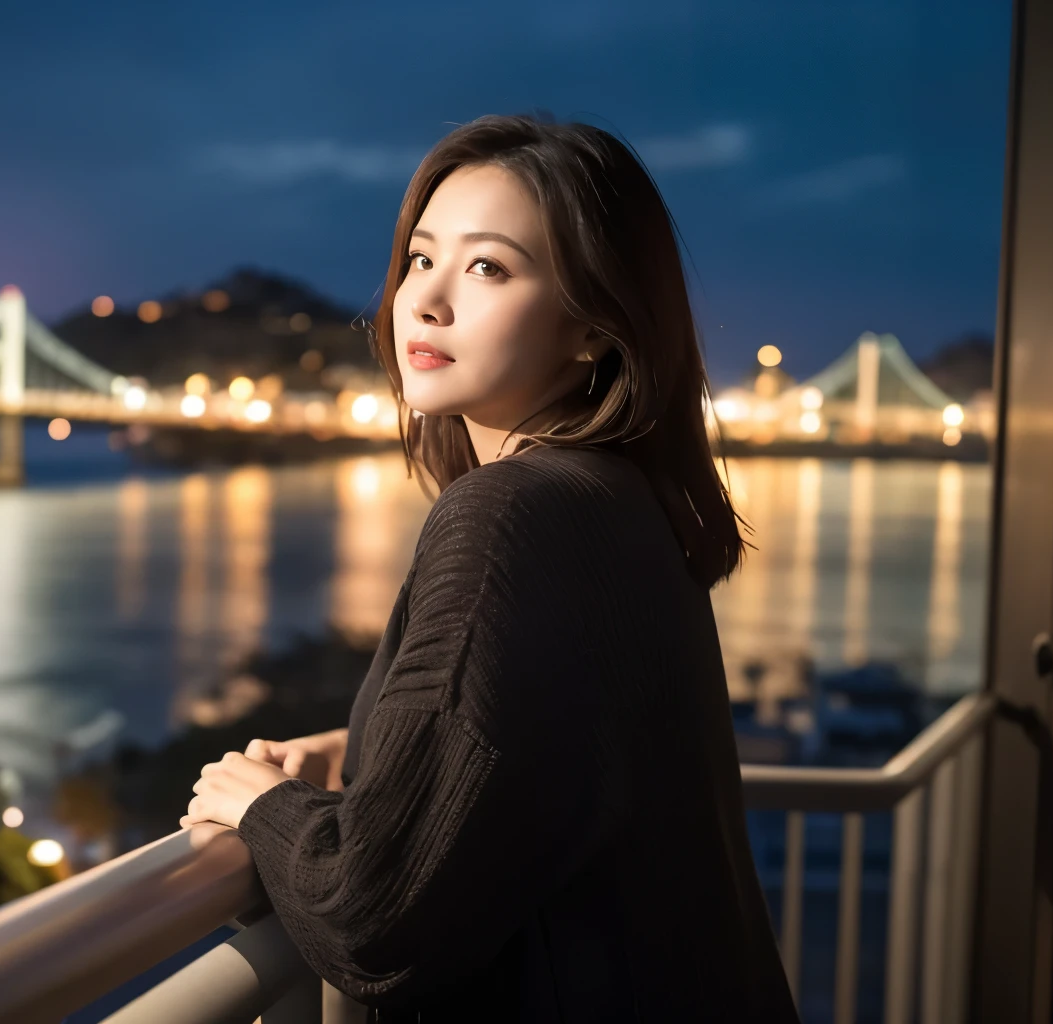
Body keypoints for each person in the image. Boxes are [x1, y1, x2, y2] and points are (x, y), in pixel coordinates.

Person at [181, 113, 801, 1022]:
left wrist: (263, 805)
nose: (426, 301)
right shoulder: (616, 501)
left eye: (488, 267)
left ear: (593, 329)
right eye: (421, 259)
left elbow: (372, 920)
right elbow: (560, 746)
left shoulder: (509, 512)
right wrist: (370, 760)